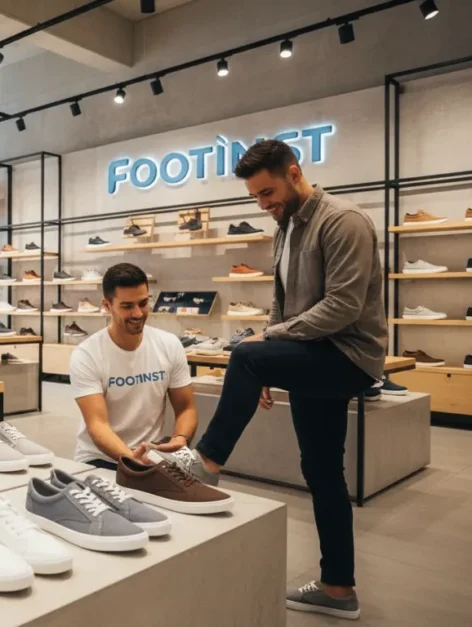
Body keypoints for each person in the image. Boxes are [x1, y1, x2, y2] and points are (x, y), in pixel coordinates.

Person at [166, 139, 387, 621]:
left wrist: (264, 349)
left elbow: (344, 306)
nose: (264, 204)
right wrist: (273, 352)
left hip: (349, 355)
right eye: (256, 198)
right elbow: (281, 303)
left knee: (243, 355)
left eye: (268, 192)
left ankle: (205, 462)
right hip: (312, 352)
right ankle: (338, 588)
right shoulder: (284, 227)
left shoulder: (343, 222)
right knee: (323, 471)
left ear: (293, 171)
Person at [68, 263, 197, 469]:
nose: (138, 313)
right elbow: (97, 424)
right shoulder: (86, 355)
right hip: (101, 458)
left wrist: (180, 439)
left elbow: (186, 408)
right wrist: (133, 459)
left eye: (143, 303)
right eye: (127, 306)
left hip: (151, 457)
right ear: (107, 305)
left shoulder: (169, 344)